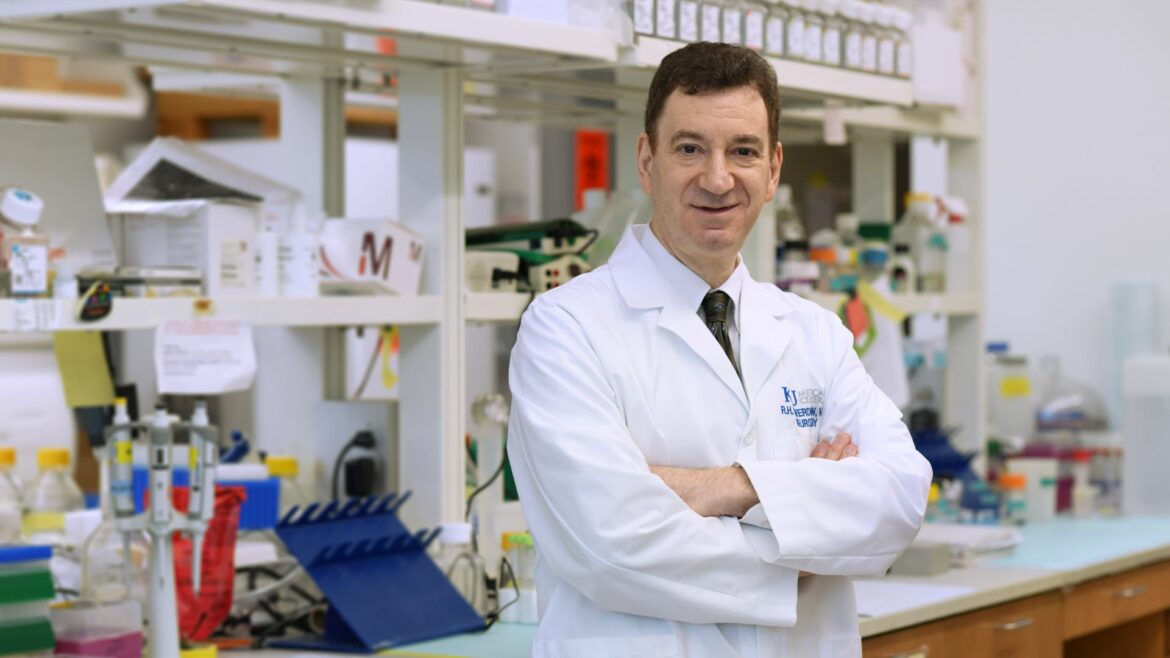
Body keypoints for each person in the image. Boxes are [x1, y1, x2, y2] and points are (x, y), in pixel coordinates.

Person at [507, 41, 932, 658]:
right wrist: (803, 538)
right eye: (689, 149)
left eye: (743, 151)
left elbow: (899, 500)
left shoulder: (814, 332)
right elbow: (612, 543)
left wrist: (728, 487)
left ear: (773, 169)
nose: (716, 178)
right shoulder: (565, 327)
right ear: (647, 161)